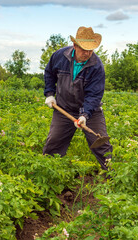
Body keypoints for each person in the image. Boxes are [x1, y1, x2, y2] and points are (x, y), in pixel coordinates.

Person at [43, 26, 113, 171]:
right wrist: (49, 94)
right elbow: (49, 73)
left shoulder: (96, 66)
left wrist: (85, 115)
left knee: (100, 144)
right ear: (75, 45)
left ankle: (113, 175)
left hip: (90, 111)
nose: (87, 53)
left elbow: (94, 95)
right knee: (54, 142)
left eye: (91, 50)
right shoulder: (59, 56)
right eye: (83, 49)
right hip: (63, 108)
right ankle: (47, 173)